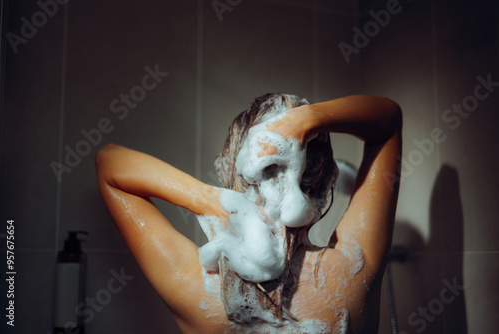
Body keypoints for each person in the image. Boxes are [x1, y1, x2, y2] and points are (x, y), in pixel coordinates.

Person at [96, 93, 402, 333]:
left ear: (236, 173)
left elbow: (109, 163)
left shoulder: (196, 290)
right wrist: (308, 119)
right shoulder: (352, 272)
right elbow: (387, 123)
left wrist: (210, 200)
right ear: (325, 182)